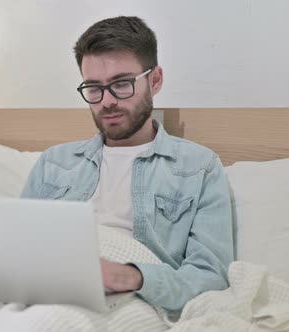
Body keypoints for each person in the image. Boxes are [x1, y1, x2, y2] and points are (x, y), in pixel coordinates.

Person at [20, 16, 233, 311]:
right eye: (94, 88)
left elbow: (211, 277)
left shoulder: (199, 167)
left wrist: (127, 276)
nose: (107, 101)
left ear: (155, 80)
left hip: (132, 298)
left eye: (121, 84)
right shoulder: (54, 163)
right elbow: (18, 251)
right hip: (48, 290)